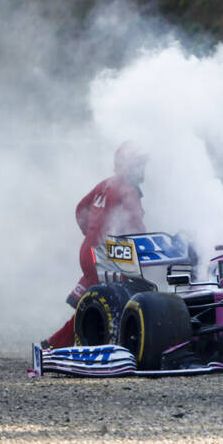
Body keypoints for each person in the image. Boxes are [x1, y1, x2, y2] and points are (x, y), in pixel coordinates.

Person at [43, 141, 148, 348]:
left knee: (93, 303)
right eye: (139, 164)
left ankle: (54, 344)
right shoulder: (128, 190)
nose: (143, 169)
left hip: (90, 250)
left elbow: (80, 209)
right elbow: (136, 227)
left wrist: (90, 234)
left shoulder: (105, 184)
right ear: (128, 165)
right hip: (108, 254)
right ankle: (56, 345)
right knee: (113, 302)